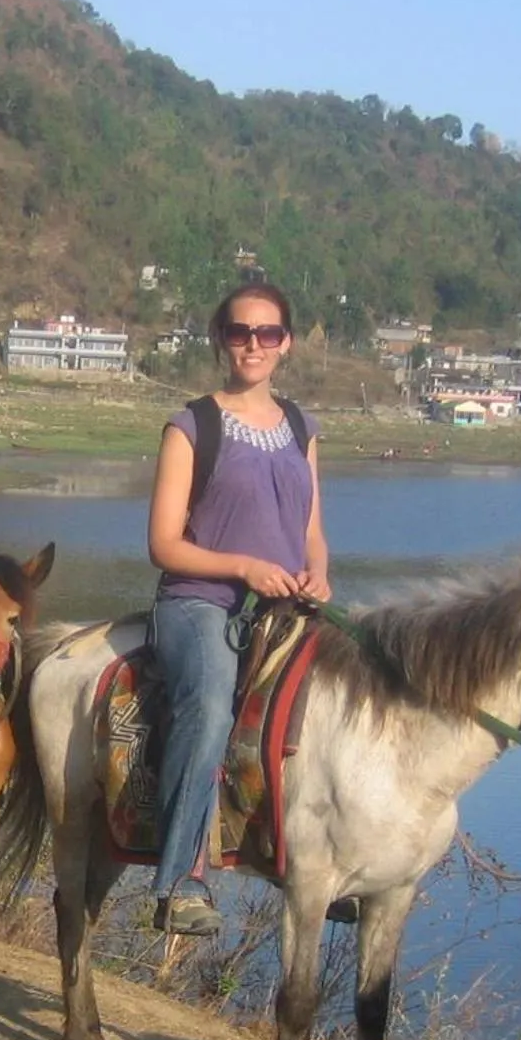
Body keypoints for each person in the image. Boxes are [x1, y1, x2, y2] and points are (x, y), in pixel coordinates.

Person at [145, 283, 330, 935]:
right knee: (211, 710)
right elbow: (164, 544)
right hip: (201, 603)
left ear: (287, 343)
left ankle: (324, 862)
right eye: (239, 332)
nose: (254, 344)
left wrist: (319, 575)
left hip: (285, 606)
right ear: (221, 341)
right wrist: (245, 568)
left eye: (267, 333)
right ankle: (180, 883)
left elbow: (311, 531)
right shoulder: (192, 425)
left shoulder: (302, 428)